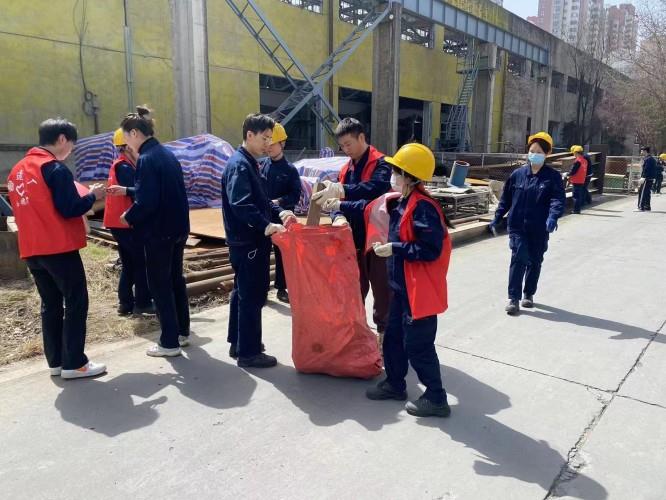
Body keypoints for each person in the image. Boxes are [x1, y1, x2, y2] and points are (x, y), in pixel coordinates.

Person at [323, 143, 453, 417]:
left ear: (410, 176)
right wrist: (339, 204)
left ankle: (436, 398)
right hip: (401, 288)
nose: (393, 175)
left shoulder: (423, 208)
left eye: (397, 171)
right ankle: (395, 384)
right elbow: (369, 207)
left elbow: (430, 250)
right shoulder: (401, 200)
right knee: (393, 338)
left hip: (419, 293)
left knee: (418, 346)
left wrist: (396, 248)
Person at [7, 118, 107, 379]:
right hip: (58, 246)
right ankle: (75, 363)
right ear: (62, 139)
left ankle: (56, 362)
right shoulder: (54, 169)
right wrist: (93, 196)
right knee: (76, 301)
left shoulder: (17, 171)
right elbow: (70, 208)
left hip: (31, 248)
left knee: (50, 304)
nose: (71, 150)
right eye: (72, 144)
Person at [120, 106, 191, 357]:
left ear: (135, 133)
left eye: (125, 137)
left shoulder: (147, 159)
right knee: (175, 281)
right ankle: (182, 332)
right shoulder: (167, 154)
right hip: (178, 229)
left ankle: (168, 342)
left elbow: (147, 201)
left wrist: (129, 216)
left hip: (159, 232)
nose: (126, 143)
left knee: (160, 286)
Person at [311, 118, 392, 335]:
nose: (346, 150)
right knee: (354, 289)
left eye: (348, 144)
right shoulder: (346, 169)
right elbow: (335, 201)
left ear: (361, 137)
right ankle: (356, 332)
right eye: (342, 146)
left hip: (378, 239)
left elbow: (374, 192)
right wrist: (337, 214)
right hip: (352, 239)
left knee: (383, 290)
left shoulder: (382, 164)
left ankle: (385, 335)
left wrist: (342, 193)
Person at [222, 113, 290, 368]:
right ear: (249, 135)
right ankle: (249, 353)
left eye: (270, 139)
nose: (268, 144)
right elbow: (241, 204)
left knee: (242, 292)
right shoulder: (240, 165)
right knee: (252, 295)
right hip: (248, 242)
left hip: (246, 241)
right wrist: (265, 225)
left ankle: (239, 342)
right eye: (264, 138)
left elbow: (261, 200)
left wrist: (279, 213)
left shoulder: (250, 163)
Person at [489, 132, 565, 315]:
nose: (534, 154)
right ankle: (513, 298)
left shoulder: (552, 177)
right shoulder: (518, 175)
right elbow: (506, 199)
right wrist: (498, 217)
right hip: (517, 226)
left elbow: (557, 200)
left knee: (535, 261)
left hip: (539, 227)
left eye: (538, 152)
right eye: (531, 151)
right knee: (519, 257)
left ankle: (528, 293)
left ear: (547, 154)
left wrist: (553, 217)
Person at [105, 128, 154, 316]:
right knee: (140, 263)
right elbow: (138, 192)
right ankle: (142, 303)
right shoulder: (124, 167)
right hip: (126, 223)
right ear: (126, 147)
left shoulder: (120, 165)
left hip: (119, 223)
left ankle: (125, 304)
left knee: (129, 264)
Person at [260, 122, 301, 304]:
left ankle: (281, 288)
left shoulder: (290, 170)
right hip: (264, 218)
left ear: (282, 143)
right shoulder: (263, 166)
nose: (269, 147)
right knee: (262, 253)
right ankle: (262, 288)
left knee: (282, 254)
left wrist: (280, 202)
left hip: (282, 218)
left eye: (273, 143)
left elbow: (295, 195)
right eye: (267, 143)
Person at [565, 145, 588, 214]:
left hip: (576, 180)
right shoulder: (584, 161)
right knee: (578, 195)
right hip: (581, 180)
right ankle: (578, 209)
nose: (573, 154)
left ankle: (576, 210)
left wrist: (567, 174)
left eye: (574, 153)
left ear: (576, 153)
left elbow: (573, 171)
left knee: (575, 196)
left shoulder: (577, 161)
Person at [637, 146, 657, 211]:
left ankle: (641, 207)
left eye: (642, 151)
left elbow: (646, 169)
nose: (641, 152)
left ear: (645, 151)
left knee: (642, 192)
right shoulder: (651, 159)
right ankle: (647, 206)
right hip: (650, 178)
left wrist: (643, 177)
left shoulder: (648, 159)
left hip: (646, 178)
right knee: (647, 192)